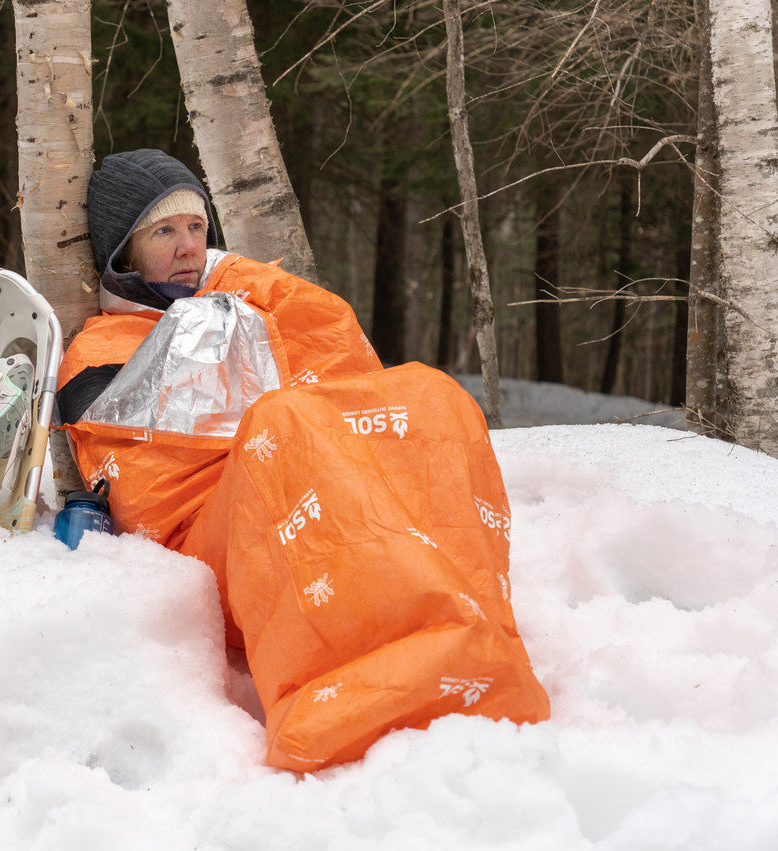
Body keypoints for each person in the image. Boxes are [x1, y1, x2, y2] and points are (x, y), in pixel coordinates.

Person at [56, 148, 550, 772]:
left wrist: (238, 277)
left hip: (305, 497)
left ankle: (472, 634)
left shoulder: (237, 302)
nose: (188, 248)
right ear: (123, 253)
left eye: (197, 229)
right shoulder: (102, 346)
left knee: (431, 394)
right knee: (286, 421)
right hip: (223, 543)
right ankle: (352, 691)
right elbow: (166, 466)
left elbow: (344, 358)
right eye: (163, 231)